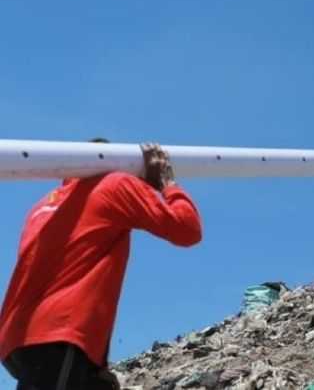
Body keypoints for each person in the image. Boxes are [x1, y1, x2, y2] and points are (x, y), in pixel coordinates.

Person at [0, 142, 202, 390]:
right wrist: (166, 184)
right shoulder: (114, 184)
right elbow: (187, 228)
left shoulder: (42, 207)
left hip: (19, 339)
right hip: (61, 335)